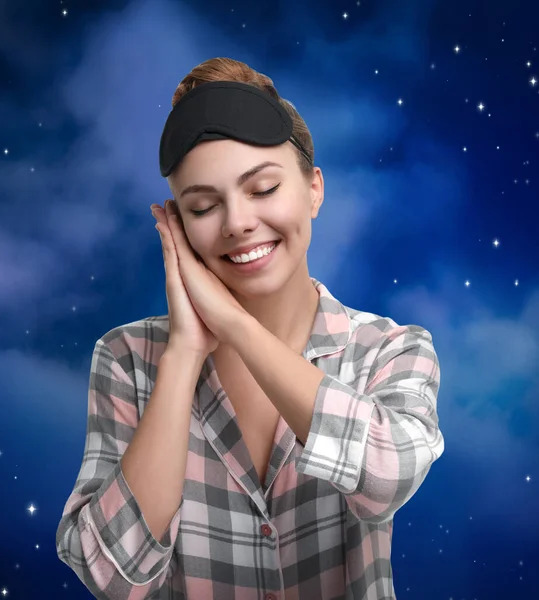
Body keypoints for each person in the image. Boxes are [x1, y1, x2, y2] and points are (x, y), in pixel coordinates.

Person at [55, 57, 445, 600]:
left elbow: (388, 477)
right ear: (178, 226)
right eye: (204, 205)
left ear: (314, 189)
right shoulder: (127, 358)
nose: (237, 222)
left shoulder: (388, 349)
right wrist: (185, 353)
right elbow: (112, 577)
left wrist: (235, 324)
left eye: (262, 189)